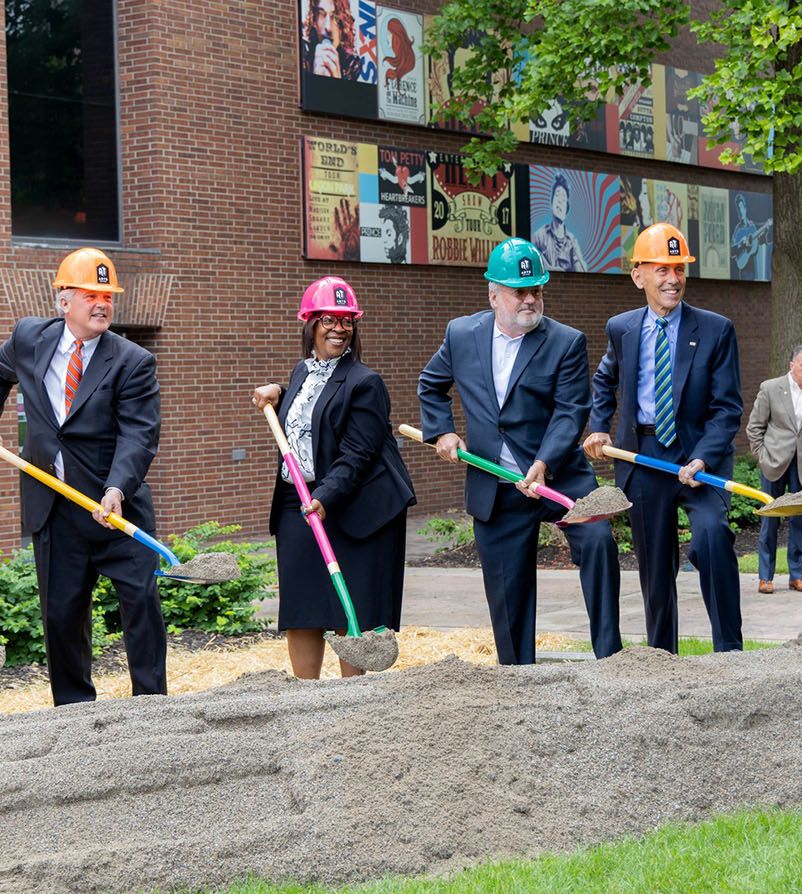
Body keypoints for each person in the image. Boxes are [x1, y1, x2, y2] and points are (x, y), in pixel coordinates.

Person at [0, 247, 165, 705]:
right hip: (56, 510)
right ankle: (75, 713)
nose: (102, 304)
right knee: (61, 616)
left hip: (114, 509)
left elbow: (138, 435)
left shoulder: (132, 361)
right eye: (90, 295)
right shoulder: (29, 338)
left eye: (108, 296)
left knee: (141, 607)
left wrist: (116, 489)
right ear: (63, 301)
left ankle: (153, 707)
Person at [418, 238, 622, 662]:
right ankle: (517, 676)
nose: (530, 300)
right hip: (496, 484)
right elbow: (431, 385)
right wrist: (442, 433)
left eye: (537, 291)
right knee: (507, 590)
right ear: (494, 294)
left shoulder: (565, 342)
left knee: (598, 539)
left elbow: (570, 413)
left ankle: (610, 658)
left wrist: (543, 464)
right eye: (519, 292)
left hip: (559, 475)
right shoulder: (461, 334)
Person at [584, 223, 744, 654]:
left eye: (679, 268)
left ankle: (730, 653)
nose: (672, 279)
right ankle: (661, 658)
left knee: (711, 536)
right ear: (639, 276)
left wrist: (705, 458)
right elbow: (604, 381)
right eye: (662, 269)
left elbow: (727, 407)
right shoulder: (622, 328)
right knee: (655, 568)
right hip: (643, 457)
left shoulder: (715, 329)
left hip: (697, 456)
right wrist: (599, 425)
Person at [252, 277, 416, 679]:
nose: (339, 328)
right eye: (329, 319)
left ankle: (349, 699)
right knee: (303, 606)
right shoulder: (303, 371)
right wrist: (280, 389)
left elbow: (357, 454)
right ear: (309, 323)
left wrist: (325, 497)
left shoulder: (366, 383)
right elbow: (314, 399)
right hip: (298, 501)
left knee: (349, 609)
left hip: (352, 507)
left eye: (347, 321)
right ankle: (306, 698)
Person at [745, 345, 802, 594]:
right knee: (770, 520)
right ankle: (766, 577)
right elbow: (754, 428)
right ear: (791, 365)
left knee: (800, 521)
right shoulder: (770, 388)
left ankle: (797, 575)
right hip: (774, 463)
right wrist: (762, 457)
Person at [530, 172, 590, 272]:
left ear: (567, 208)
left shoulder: (572, 241)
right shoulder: (539, 236)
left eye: (563, 198)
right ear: (551, 203)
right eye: (557, 195)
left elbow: (581, 270)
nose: (560, 201)